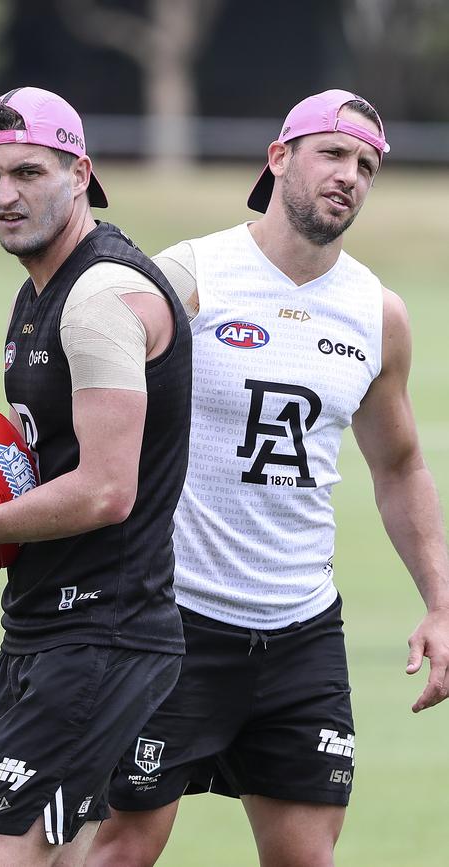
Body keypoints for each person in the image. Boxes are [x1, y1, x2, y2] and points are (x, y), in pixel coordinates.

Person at [86, 89, 449, 867]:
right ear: (279, 157)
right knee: (122, 848)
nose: (349, 175)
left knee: (305, 859)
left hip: (301, 632)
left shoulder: (376, 313)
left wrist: (441, 600)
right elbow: (92, 377)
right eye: (332, 153)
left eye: (366, 164)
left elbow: (400, 463)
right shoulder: (191, 274)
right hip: (174, 622)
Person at [0, 86, 192, 867]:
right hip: (48, 626)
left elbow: (105, 488)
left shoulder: (99, 296)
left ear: (80, 172)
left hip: (100, 630)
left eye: (28, 172)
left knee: (1, 857)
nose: (4, 195)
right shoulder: (39, 294)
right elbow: (37, 462)